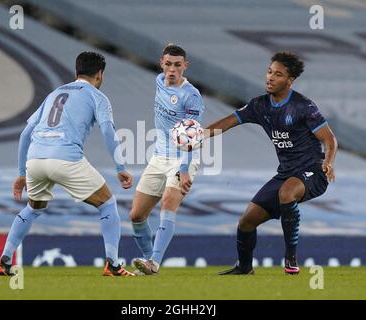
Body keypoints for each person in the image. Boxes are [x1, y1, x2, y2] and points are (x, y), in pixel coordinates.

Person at [0, 51, 134, 277]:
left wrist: (22, 173)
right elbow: (108, 130)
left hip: (35, 159)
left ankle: (5, 261)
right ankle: (113, 265)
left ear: (76, 71)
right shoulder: (97, 97)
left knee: (33, 207)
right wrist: (120, 168)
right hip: (66, 158)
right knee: (108, 204)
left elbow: (26, 132)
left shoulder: (55, 93)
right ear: (100, 74)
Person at [205, 51, 338, 275]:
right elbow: (229, 121)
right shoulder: (259, 105)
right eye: (269, 72)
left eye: (277, 74)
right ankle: (245, 268)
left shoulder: (303, 106)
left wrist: (329, 162)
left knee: (286, 193)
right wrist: (200, 135)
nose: (270, 77)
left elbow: (329, 139)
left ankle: (291, 258)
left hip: (313, 172)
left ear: (290, 80)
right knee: (246, 223)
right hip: (286, 173)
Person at [130, 44, 205, 275]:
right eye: (168, 64)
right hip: (158, 157)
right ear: (161, 63)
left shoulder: (191, 96)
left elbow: (193, 136)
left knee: (167, 204)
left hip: (183, 158)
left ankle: (154, 262)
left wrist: (184, 169)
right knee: (136, 216)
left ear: (186, 66)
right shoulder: (159, 81)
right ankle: (148, 262)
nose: (172, 70)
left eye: (177, 65)